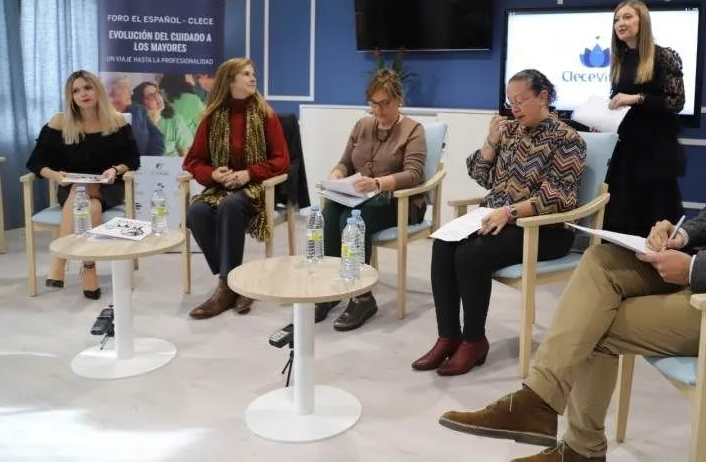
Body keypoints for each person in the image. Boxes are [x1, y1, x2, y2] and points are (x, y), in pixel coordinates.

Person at [435, 43, 706, 462]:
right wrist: (680, 236)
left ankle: (574, 444)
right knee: (602, 259)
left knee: (594, 327)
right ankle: (539, 403)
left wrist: (697, 268)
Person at [412, 69, 587, 377]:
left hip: (545, 229)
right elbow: (481, 175)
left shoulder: (567, 139)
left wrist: (510, 213)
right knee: (443, 244)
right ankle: (448, 336)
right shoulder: (512, 132)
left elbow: (559, 197)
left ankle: (474, 340)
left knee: (470, 255)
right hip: (497, 219)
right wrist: (491, 141)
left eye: (521, 100)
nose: (514, 108)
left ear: (543, 97)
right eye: (510, 101)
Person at [314, 68, 427, 331]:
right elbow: (344, 162)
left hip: (398, 202)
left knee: (353, 221)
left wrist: (378, 183)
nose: (377, 110)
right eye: (373, 103)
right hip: (361, 196)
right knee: (330, 214)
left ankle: (362, 297)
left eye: (384, 103)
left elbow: (413, 174)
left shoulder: (413, 130)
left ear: (399, 99)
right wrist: (336, 176)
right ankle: (334, 288)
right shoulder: (362, 125)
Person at [183, 58, 290, 320]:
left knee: (230, 206)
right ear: (230, 80)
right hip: (223, 187)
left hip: (257, 188)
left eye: (254, 73)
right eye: (246, 74)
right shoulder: (212, 118)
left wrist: (248, 174)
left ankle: (225, 287)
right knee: (196, 211)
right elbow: (192, 161)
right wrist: (213, 174)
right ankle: (235, 283)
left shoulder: (266, 115)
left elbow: (281, 161)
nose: (253, 78)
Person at [26, 70, 141, 299]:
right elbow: (36, 162)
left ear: (97, 90)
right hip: (69, 188)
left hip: (109, 187)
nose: (83, 94)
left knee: (84, 193)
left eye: (87, 88)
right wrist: (57, 176)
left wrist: (115, 170)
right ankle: (89, 269)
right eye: (76, 91)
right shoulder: (59, 122)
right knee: (88, 201)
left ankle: (59, 260)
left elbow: (132, 160)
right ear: (71, 97)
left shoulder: (116, 121)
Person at [601, 0, 686, 237]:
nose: (620, 23)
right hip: (626, 146)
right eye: (617, 19)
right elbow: (619, 99)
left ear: (643, 21)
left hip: (655, 150)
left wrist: (637, 98)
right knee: (621, 212)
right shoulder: (620, 59)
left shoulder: (663, 56)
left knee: (654, 210)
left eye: (627, 17)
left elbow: (676, 101)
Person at [106, 73, 165, 157]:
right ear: (110, 93)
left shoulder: (138, 110)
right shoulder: (100, 115)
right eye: (125, 88)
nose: (131, 92)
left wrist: (149, 160)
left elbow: (157, 136)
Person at [132, 81, 194, 157]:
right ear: (141, 103)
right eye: (151, 95)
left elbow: (184, 154)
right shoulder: (136, 124)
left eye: (157, 92)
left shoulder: (175, 120)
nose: (157, 97)